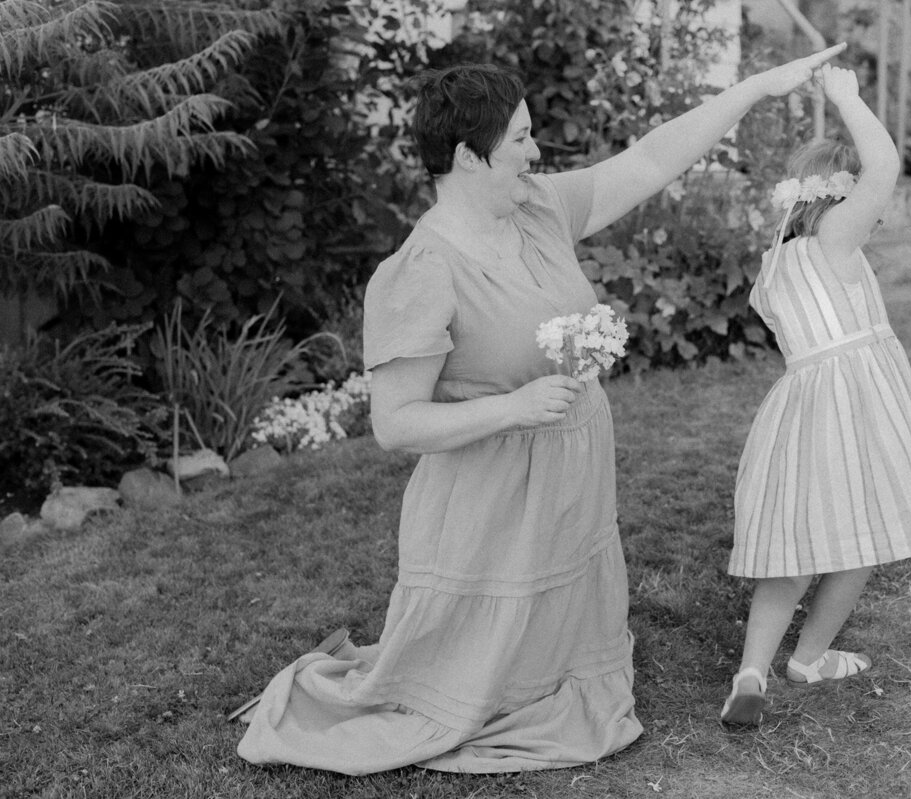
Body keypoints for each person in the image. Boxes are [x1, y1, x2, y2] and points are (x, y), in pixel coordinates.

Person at [234, 47, 847, 774]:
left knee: (557, 649)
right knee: (473, 676)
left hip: (570, 478)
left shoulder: (538, 208)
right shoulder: (422, 269)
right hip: (490, 502)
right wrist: (514, 406)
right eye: (519, 137)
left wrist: (753, 89)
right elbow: (396, 424)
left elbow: (650, 161)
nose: (534, 148)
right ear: (468, 155)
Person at [719, 64, 911, 726]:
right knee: (862, 531)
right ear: (836, 197)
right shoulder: (836, 237)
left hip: (797, 409)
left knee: (794, 547)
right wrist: (847, 98)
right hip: (857, 403)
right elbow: (884, 163)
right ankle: (811, 656)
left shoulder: (773, 268)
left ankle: (751, 669)